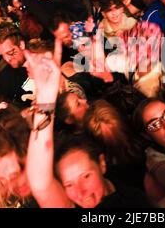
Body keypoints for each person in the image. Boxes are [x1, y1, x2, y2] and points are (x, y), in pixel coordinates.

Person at [24, 41, 153, 208]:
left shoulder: (136, 198)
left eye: (86, 176)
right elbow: (40, 183)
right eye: (68, 185)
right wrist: (45, 99)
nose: (81, 192)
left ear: (102, 164)